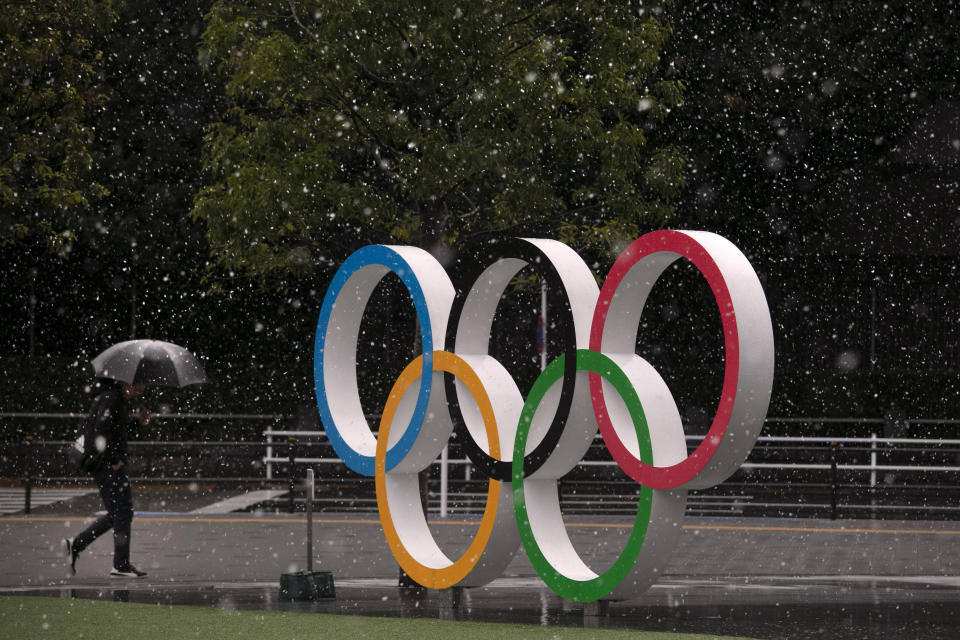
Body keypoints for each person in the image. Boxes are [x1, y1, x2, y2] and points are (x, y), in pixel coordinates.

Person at [63, 378, 150, 577]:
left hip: (106, 462)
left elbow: (114, 429)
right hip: (108, 463)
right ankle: (119, 565)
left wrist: (137, 422)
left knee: (118, 512)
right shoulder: (113, 398)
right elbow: (103, 430)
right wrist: (113, 460)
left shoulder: (112, 397)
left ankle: (78, 546)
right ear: (128, 382)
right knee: (122, 511)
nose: (142, 390)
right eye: (139, 386)